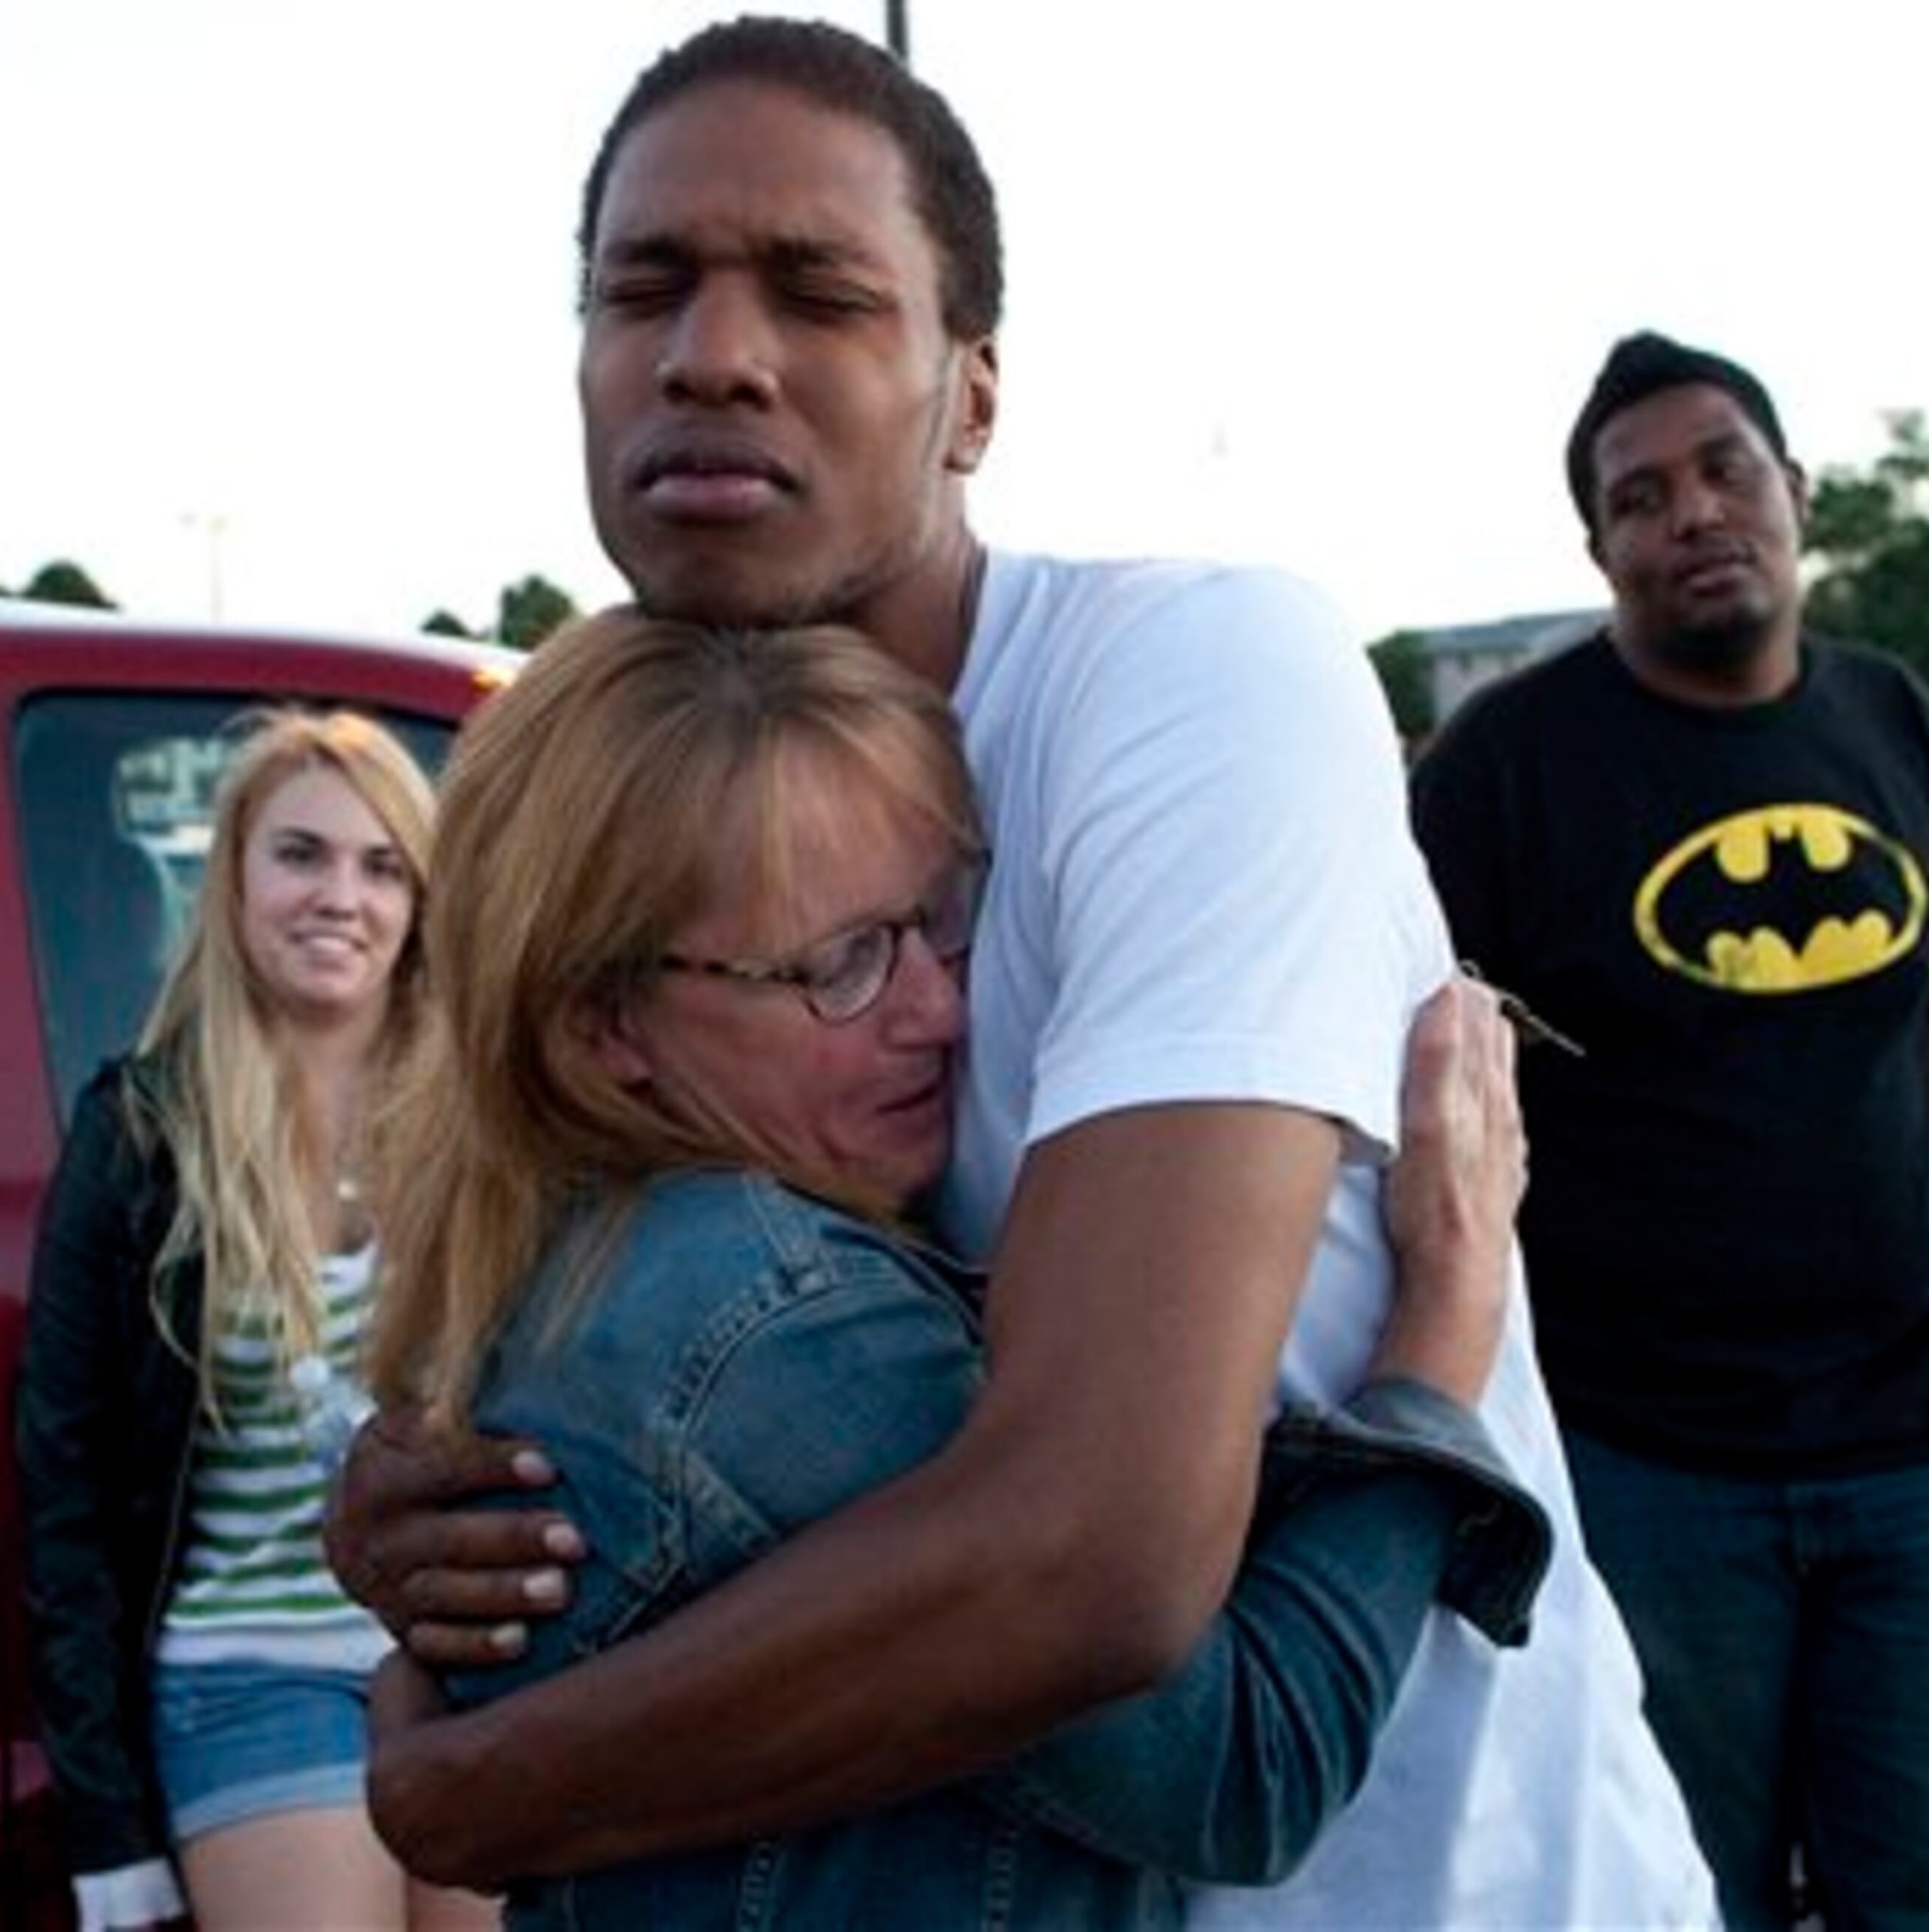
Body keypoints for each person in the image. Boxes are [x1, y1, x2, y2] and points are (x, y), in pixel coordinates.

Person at [333, 19, 1717, 1928]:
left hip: (1436, 1875)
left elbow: (1093, 1553)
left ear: (971, 396)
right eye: (641, 287)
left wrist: (469, 1787)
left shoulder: (1191, 677)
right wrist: (443, 1497)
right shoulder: (648, 793)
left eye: (820, 294)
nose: (711, 350)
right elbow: (570, 1270)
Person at [364, 609, 1546, 1925]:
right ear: (605, 1027)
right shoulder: (763, 1328)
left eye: (938, 923)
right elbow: (1246, 1765)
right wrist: (1442, 1322)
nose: (940, 1009)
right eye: (843, 965)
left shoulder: (575, 1252)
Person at [1407, 329, 1929, 1930]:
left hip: (1926, 1453)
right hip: (1649, 1465)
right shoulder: (1510, 765)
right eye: (1640, 496)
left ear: (1795, 495)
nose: (1692, 512)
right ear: (1600, 549)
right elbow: (1421, 1102)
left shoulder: (1895, 722)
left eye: (1725, 471)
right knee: (1673, 1894)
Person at [14, 709, 496, 1931]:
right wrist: (108, 1827)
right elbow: (63, 1496)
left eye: (383, 866)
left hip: (474, 1668)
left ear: (423, 903)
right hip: (248, 1673)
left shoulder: (481, 1128)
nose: (341, 895)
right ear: (232, 877)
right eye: (301, 855)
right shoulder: (140, 1134)